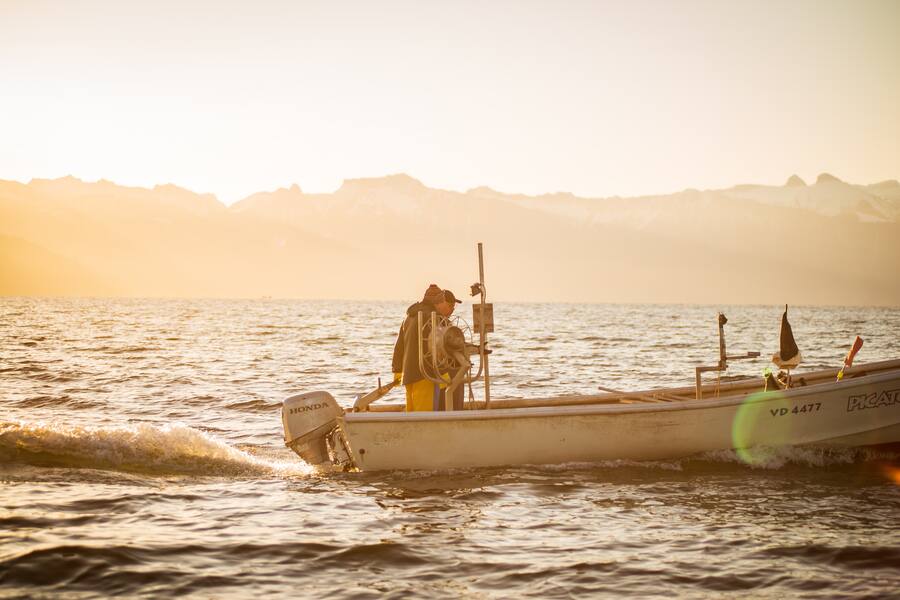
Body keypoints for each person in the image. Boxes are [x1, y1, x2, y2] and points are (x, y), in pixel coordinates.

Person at [392, 284, 449, 411]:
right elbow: (438, 348)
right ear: (438, 301)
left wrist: (397, 371)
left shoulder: (409, 317)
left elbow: (399, 346)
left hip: (408, 376)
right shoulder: (433, 318)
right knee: (426, 416)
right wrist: (444, 374)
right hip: (426, 376)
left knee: (412, 414)